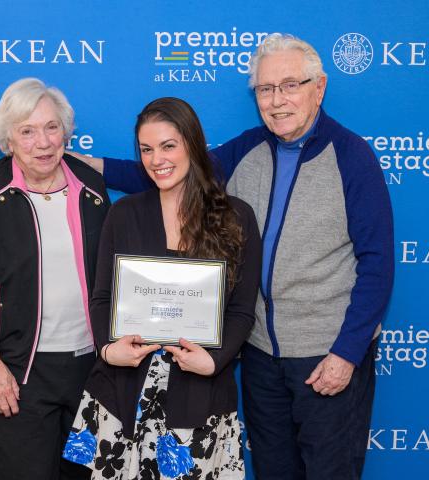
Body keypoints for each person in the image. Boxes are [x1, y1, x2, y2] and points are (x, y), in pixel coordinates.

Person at [70, 33, 394, 480]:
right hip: (260, 356)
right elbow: (171, 168)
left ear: (319, 88)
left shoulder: (353, 158)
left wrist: (347, 352)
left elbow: (377, 263)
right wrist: (77, 162)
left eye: (290, 85)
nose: (277, 100)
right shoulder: (248, 149)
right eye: (265, 89)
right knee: (275, 470)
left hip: (325, 355)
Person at [62, 97, 261, 479]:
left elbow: (240, 310)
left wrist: (214, 360)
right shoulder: (124, 214)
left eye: (168, 146)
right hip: (122, 395)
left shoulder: (236, 217)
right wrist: (107, 348)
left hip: (199, 396)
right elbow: (102, 296)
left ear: (193, 145)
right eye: (147, 149)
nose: (157, 160)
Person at [0, 78, 110, 480]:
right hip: (19, 373)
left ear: (66, 132)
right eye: (27, 130)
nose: (43, 141)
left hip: (91, 370)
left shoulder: (91, 188)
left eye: (52, 127)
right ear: (9, 140)